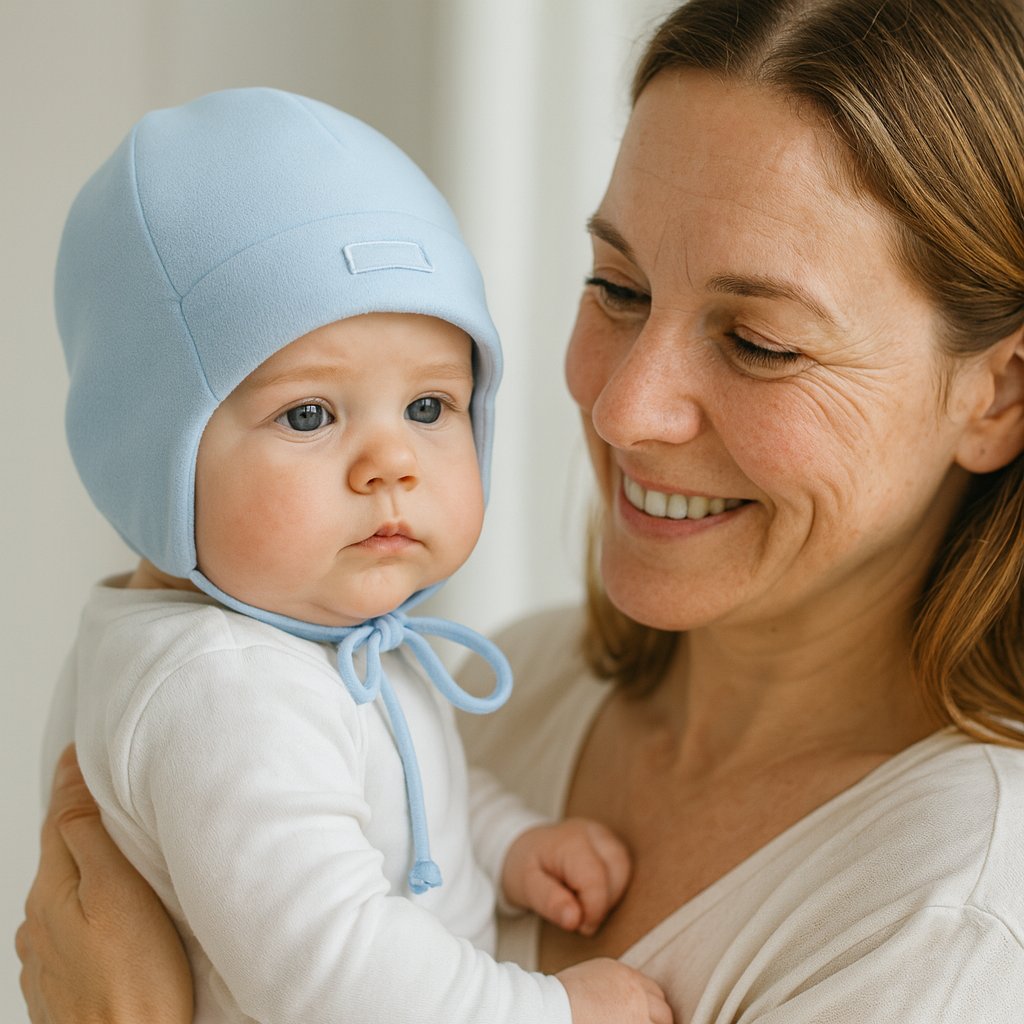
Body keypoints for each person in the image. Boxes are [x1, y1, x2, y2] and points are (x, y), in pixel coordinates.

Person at [18, 0, 1024, 1020]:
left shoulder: (957, 919)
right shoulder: (513, 682)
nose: (625, 409)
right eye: (617, 287)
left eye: (760, 342)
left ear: (1000, 394)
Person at [23, 87, 674, 1024]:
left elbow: (372, 790)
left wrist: (501, 841)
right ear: (153, 455)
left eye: (429, 407)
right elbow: (337, 973)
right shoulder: (223, 692)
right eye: (309, 414)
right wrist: (554, 1014)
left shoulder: (296, 635)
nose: (391, 465)